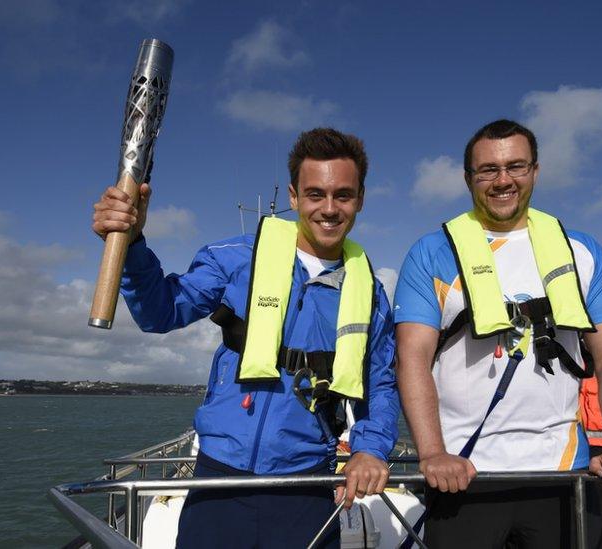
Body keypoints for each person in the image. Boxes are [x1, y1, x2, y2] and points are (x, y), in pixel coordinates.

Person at [91, 128, 399, 548]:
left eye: (343, 195)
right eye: (315, 194)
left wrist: (371, 449)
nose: (329, 209)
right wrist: (133, 242)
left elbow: (380, 383)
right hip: (220, 481)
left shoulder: (371, 295)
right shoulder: (234, 259)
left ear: (360, 198)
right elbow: (160, 311)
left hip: (306, 485)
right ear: (294, 196)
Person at [393, 119, 602, 547]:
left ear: (535, 171)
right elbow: (411, 358)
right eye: (488, 170)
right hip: (463, 473)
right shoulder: (431, 253)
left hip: (565, 472)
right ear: (468, 178)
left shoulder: (582, 251)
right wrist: (433, 454)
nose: (503, 180)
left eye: (516, 166)